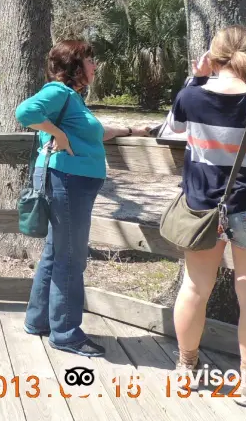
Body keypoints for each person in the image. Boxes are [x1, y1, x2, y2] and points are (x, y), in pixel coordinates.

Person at [167, 25, 246, 408]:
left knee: (195, 288)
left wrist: (197, 77)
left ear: (213, 58)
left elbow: (170, 132)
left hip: (202, 208)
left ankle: (186, 370)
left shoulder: (191, 97)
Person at [16, 40, 152, 357]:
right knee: (71, 257)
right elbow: (25, 112)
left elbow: (93, 132)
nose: (94, 66)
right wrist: (59, 136)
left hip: (70, 182)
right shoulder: (60, 92)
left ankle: (39, 320)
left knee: (56, 252)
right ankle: (65, 333)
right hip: (68, 182)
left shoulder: (73, 99)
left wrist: (132, 130)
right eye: (90, 61)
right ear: (76, 66)